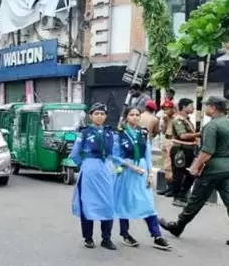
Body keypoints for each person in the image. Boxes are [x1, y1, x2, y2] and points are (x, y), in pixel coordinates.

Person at [160, 96, 229, 242]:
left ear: (213, 108)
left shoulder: (212, 126)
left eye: (207, 106)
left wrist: (195, 167)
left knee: (195, 200)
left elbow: (207, 151)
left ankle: (178, 226)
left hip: (211, 170)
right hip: (227, 168)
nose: (205, 109)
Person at [113, 106, 172, 251]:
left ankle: (157, 235)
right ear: (126, 117)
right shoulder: (119, 134)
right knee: (124, 203)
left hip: (143, 170)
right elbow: (115, 157)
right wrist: (132, 167)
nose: (135, 117)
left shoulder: (143, 133)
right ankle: (125, 233)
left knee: (148, 204)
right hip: (128, 171)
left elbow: (148, 154)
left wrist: (150, 173)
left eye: (137, 115)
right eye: (132, 115)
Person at [70, 103, 118, 250]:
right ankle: (88, 237)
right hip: (90, 170)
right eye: (96, 114)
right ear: (91, 116)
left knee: (108, 203)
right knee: (88, 203)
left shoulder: (111, 133)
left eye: (102, 114)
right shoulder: (84, 133)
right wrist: (86, 165)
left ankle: (106, 238)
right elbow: (75, 154)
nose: (99, 116)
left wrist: (116, 167)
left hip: (105, 170)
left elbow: (114, 154)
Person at [167, 99, 199, 206]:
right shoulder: (178, 120)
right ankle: (177, 198)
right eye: (191, 106)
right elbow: (183, 135)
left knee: (191, 173)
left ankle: (183, 195)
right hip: (180, 150)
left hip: (189, 150)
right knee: (179, 174)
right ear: (184, 107)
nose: (193, 108)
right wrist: (199, 134)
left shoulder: (187, 120)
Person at [156, 98, 177, 195]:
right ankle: (168, 187)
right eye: (164, 109)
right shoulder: (166, 118)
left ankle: (172, 188)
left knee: (170, 165)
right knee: (165, 164)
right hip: (166, 139)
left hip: (172, 141)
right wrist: (165, 121)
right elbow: (164, 131)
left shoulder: (177, 118)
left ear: (173, 109)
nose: (165, 111)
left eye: (167, 108)